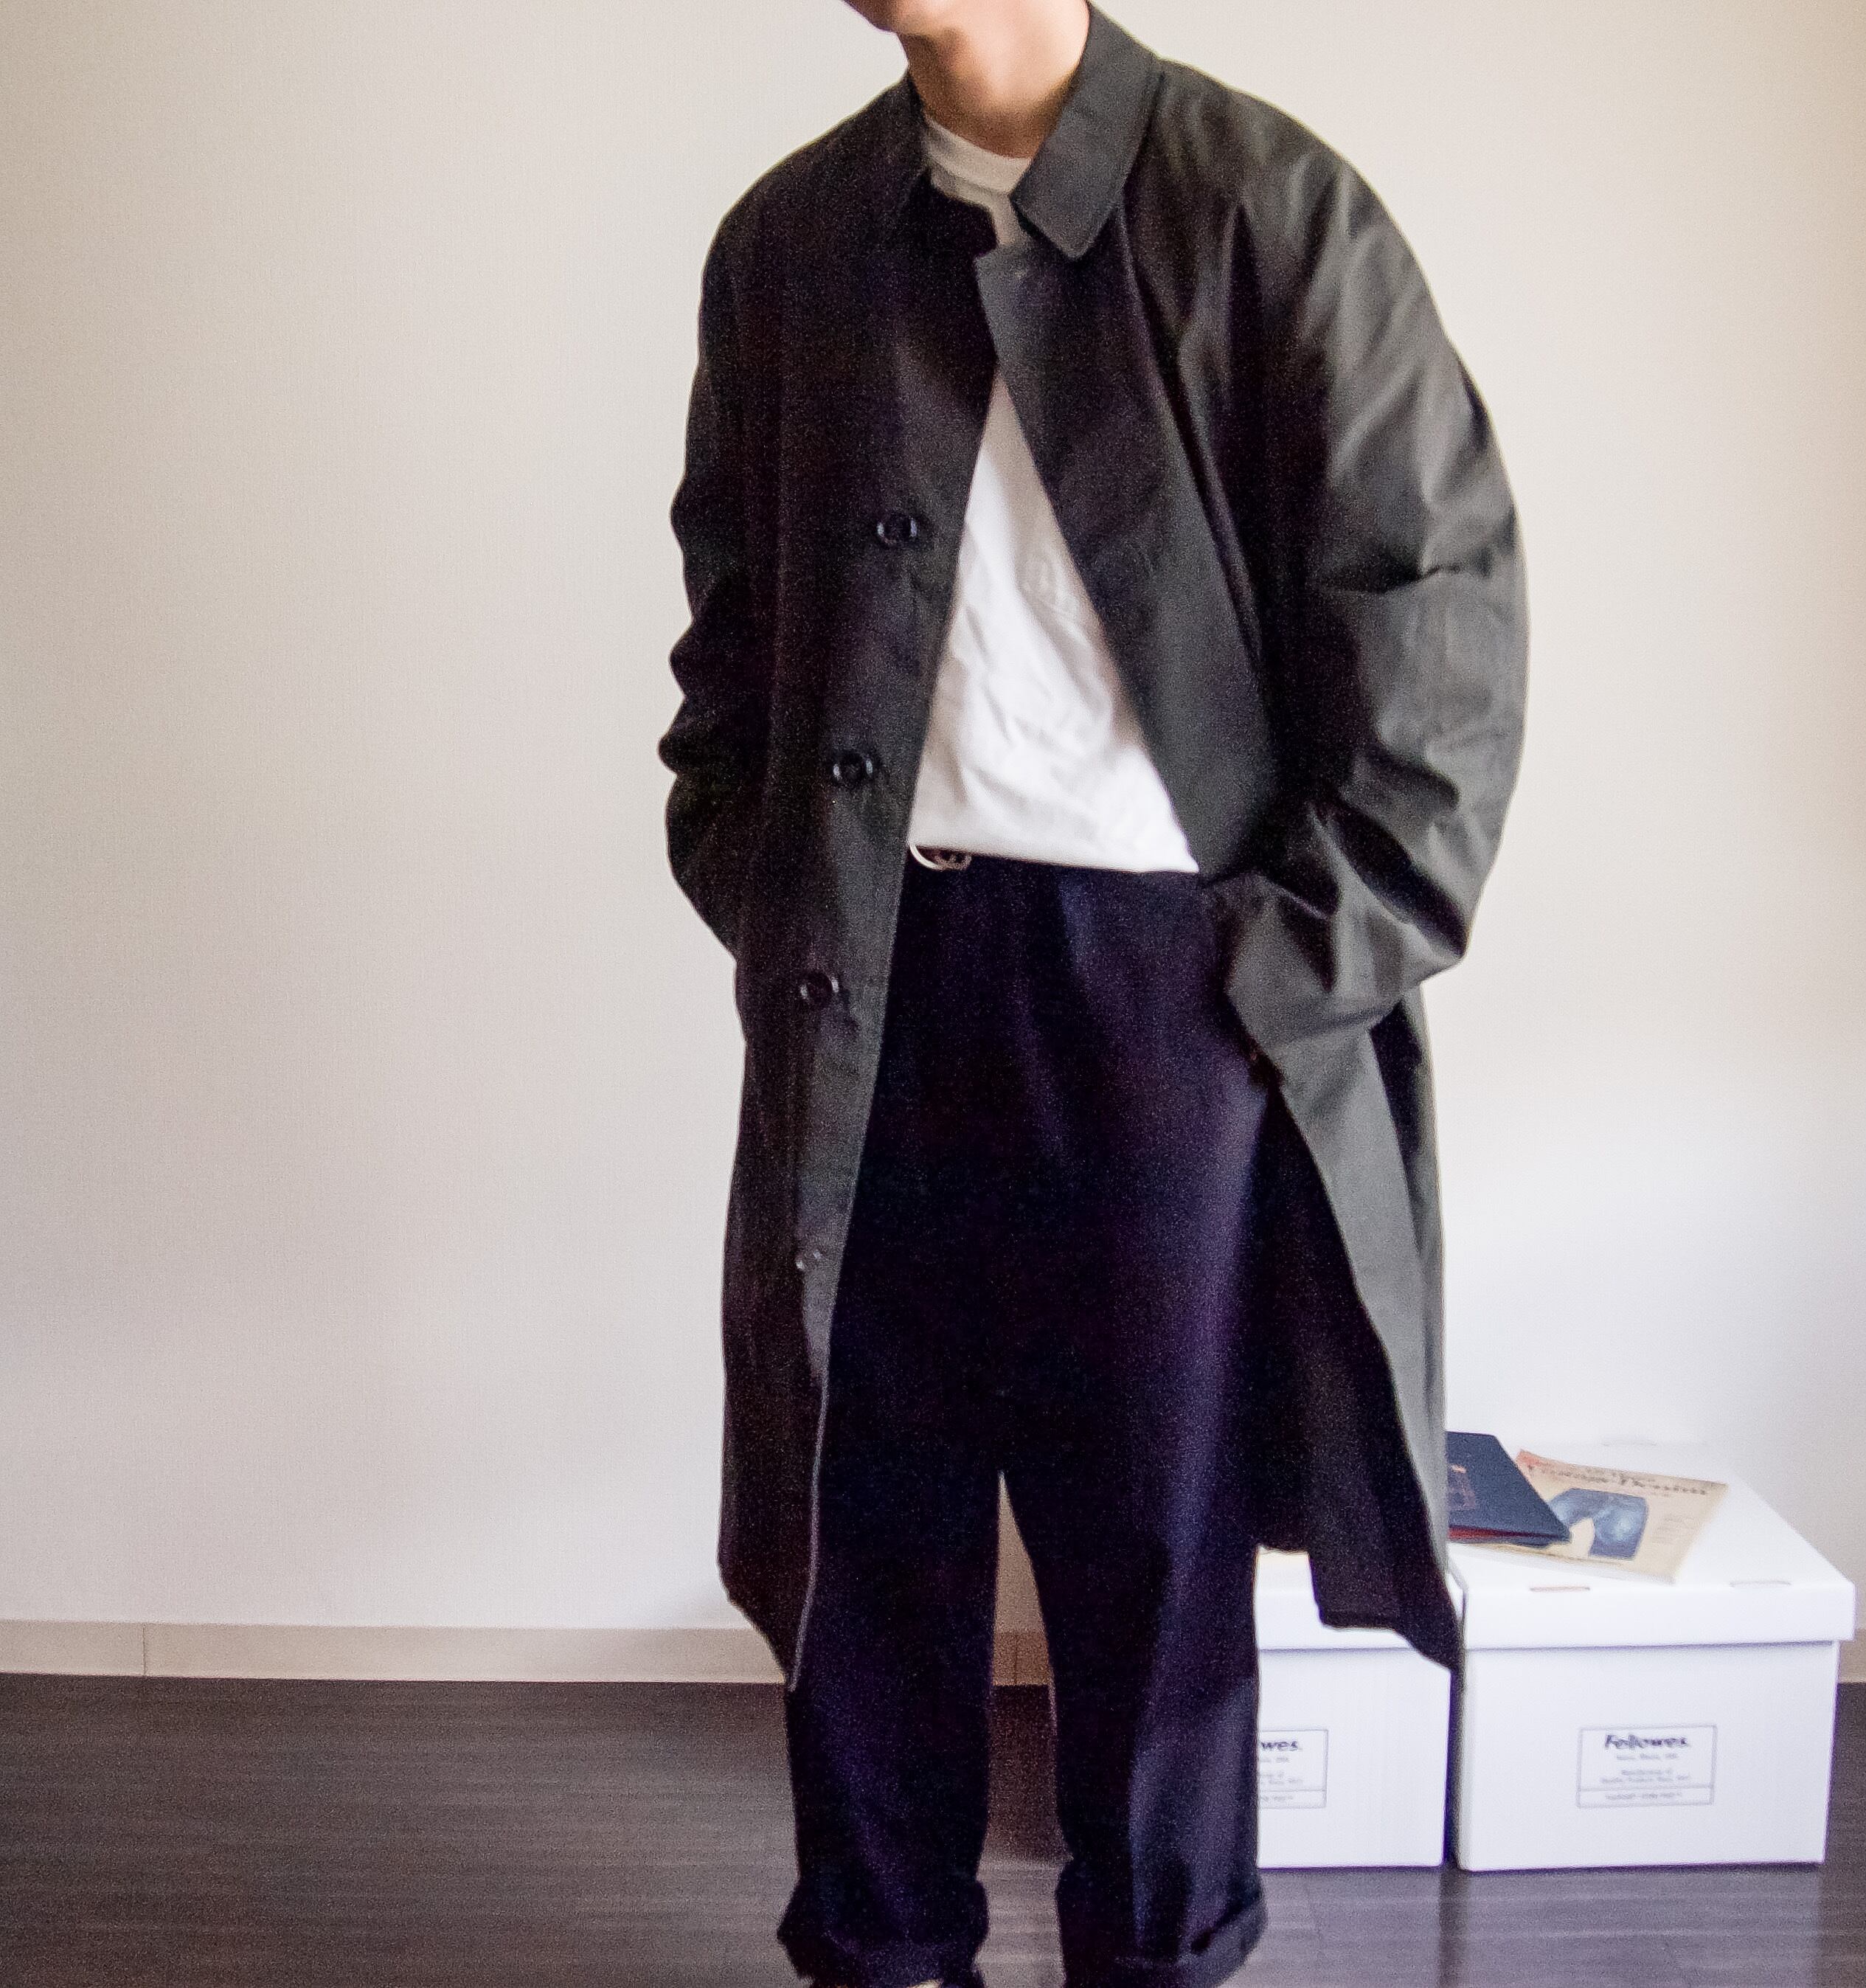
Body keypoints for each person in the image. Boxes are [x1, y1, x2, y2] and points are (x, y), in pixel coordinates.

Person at [658, 3, 1527, 1984]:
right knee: (865, 1522)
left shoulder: (1266, 210)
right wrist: (768, 886)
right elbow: (730, 639)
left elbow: (1441, 633)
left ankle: (1160, 1957)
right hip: (872, 974)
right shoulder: (791, 240)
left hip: (1163, 992)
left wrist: (1266, 978)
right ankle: (882, 1956)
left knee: (1155, 1547)